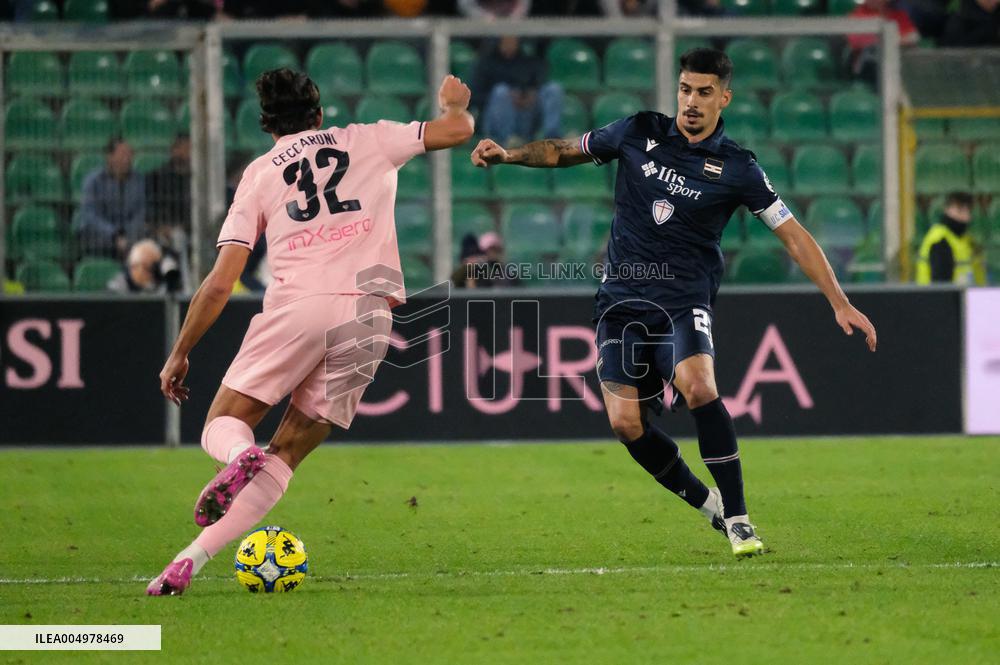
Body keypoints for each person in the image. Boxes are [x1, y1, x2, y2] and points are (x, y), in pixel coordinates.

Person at [471, 48, 878, 558]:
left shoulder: (739, 168)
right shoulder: (637, 130)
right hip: (621, 303)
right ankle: (709, 506)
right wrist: (508, 156)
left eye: (704, 92)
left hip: (683, 303)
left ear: (724, 99)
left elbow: (793, 235)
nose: (691, 101)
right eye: (685, 89)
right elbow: (563, 150)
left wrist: (839, 301)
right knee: (625, 424)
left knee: (699, 386)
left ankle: (739, 518)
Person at [146, 68, 474, 595]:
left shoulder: (259, 174)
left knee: (223, 425)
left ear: (267, 126)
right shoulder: (368, 139)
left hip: (300, 306)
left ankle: (238, 455)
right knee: (286, 455)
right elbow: (457, 131)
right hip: (370, 316)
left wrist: (179, 352)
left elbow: (221, 282)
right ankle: (190, 559)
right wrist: (454, 105)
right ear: (319, 115)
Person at [470, 37, 562, 146]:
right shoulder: (486, 63)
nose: (510, 45)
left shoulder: (526, 61)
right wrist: (509, 96)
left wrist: (530, 95)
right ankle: (505, 140)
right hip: (496, 118)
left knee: (553, 88)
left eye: (513, 41)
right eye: (507, 41)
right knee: (501, 91)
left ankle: (553, 138)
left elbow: (537, 81)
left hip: (525, 116)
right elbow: (475, 96)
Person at [76, 138, 146, 259]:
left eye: (130, 154)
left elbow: (141, 211)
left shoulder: (139, 180)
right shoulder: (93, 181)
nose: (127, 159)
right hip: (101, 233)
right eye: (122, 154)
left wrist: (127, 234)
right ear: (109, 157)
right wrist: (114, 235)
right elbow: (90, 215)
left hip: (129, 234)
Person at [915, 192, 987, 284]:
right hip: (944, 293)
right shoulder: (940, 239)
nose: (964, 216)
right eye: (959, 210)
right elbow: (941, 283)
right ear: (947, 210)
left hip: (967, 292)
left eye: (968, 210)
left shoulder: (968, 240)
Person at [147, 134, 192, 252]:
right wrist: (161, 227)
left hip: (192, 229)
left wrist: (185, 226)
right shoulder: (158, 177)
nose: (187, 153)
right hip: (162, 230)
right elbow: (152, 206)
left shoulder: (198, 179)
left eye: (190, 148)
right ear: (173, 150)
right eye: (184, 148)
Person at [108, 238, 182, 294]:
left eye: (156, 267)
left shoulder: (156, 284)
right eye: (150, 268)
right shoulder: (119, 286)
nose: (152, 274)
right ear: (134, 266)